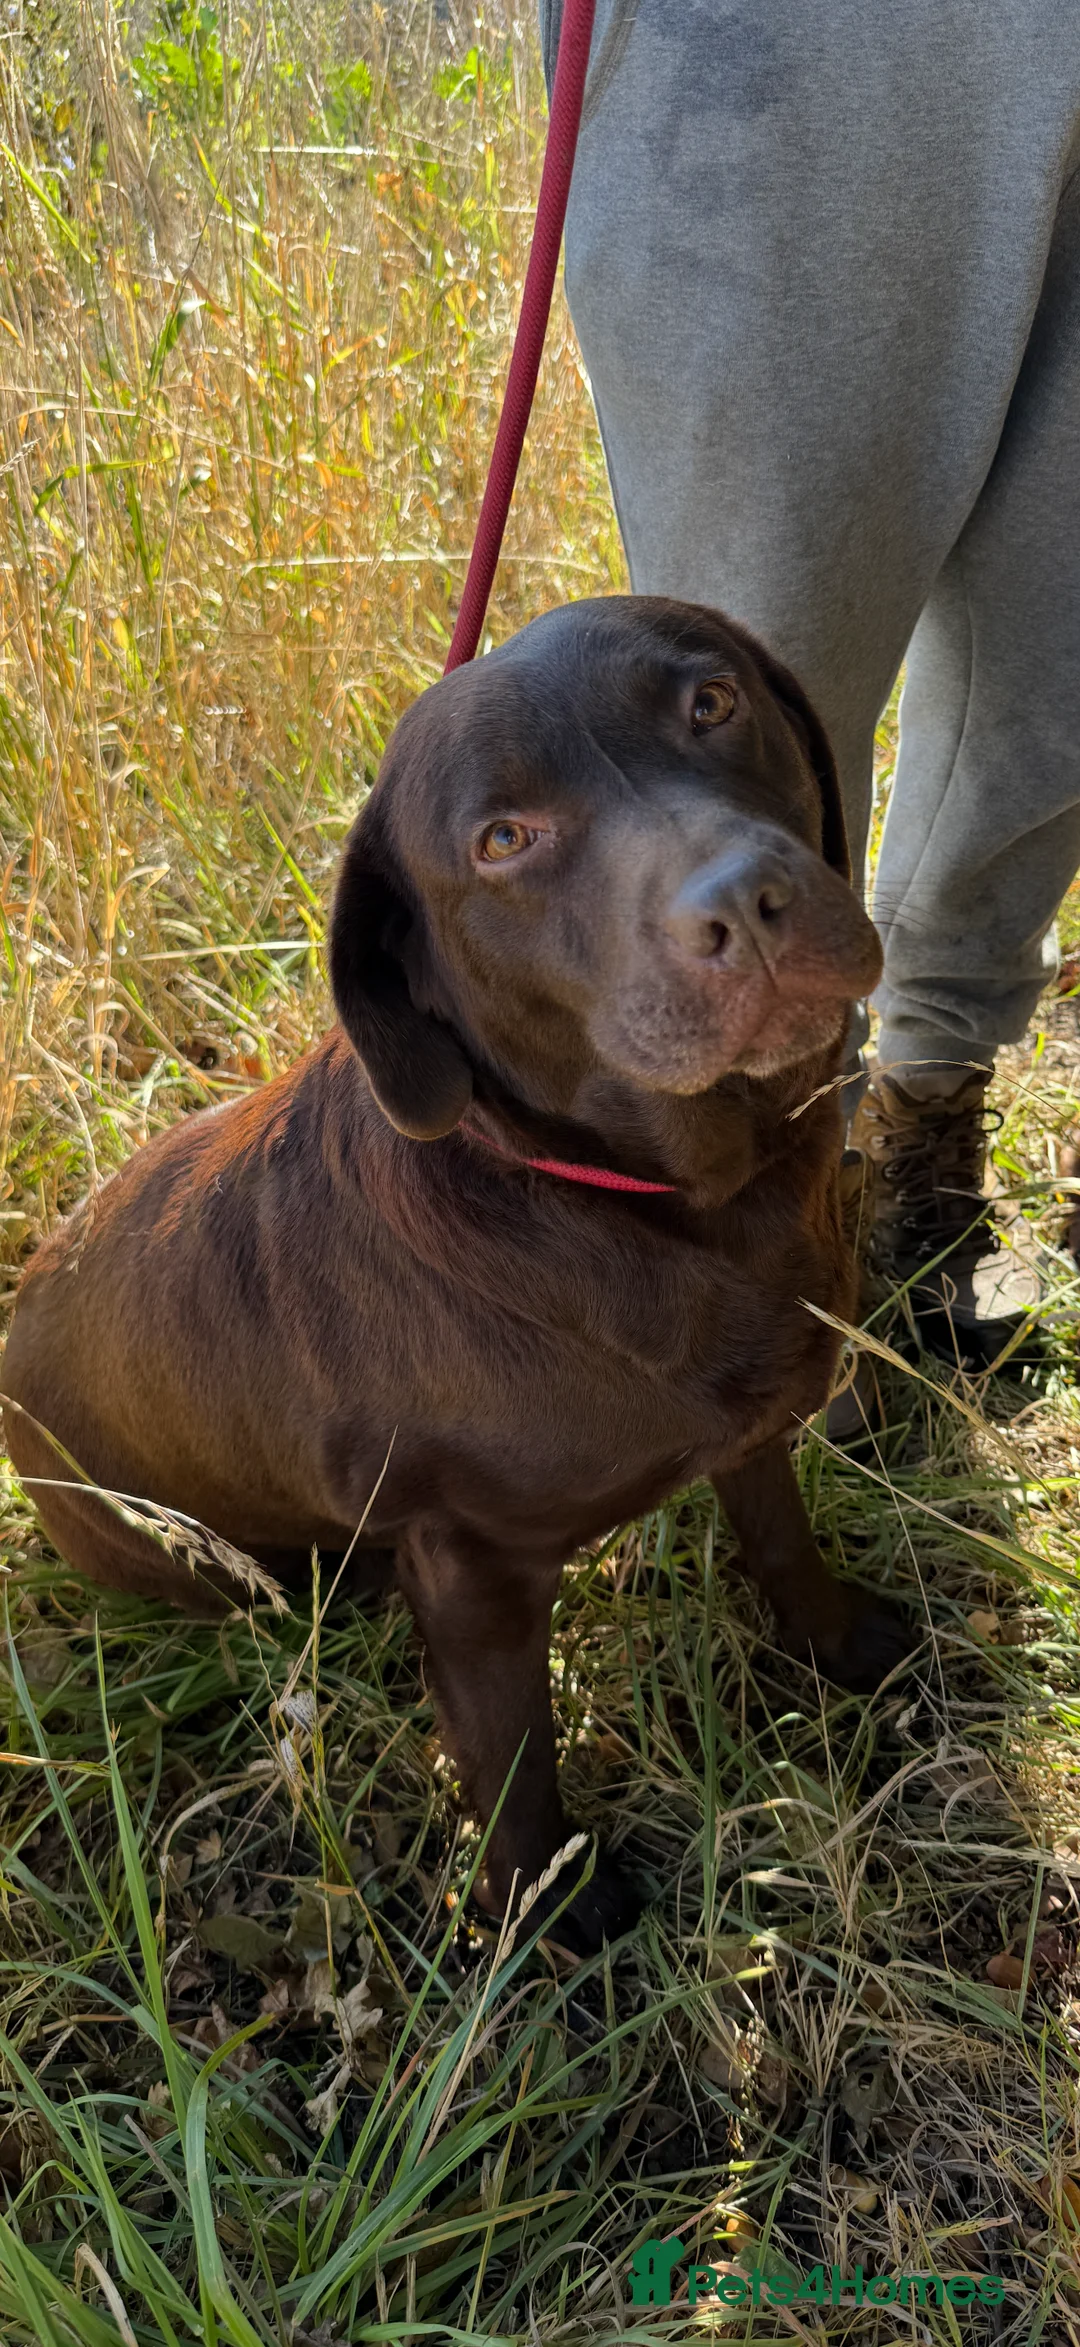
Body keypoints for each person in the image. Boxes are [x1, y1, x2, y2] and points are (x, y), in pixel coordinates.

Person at [538, 0, 1080, 1367]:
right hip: (792, 43)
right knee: (747, 696)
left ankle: (919, 1136)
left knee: (1060, 677)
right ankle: (773, 1212)